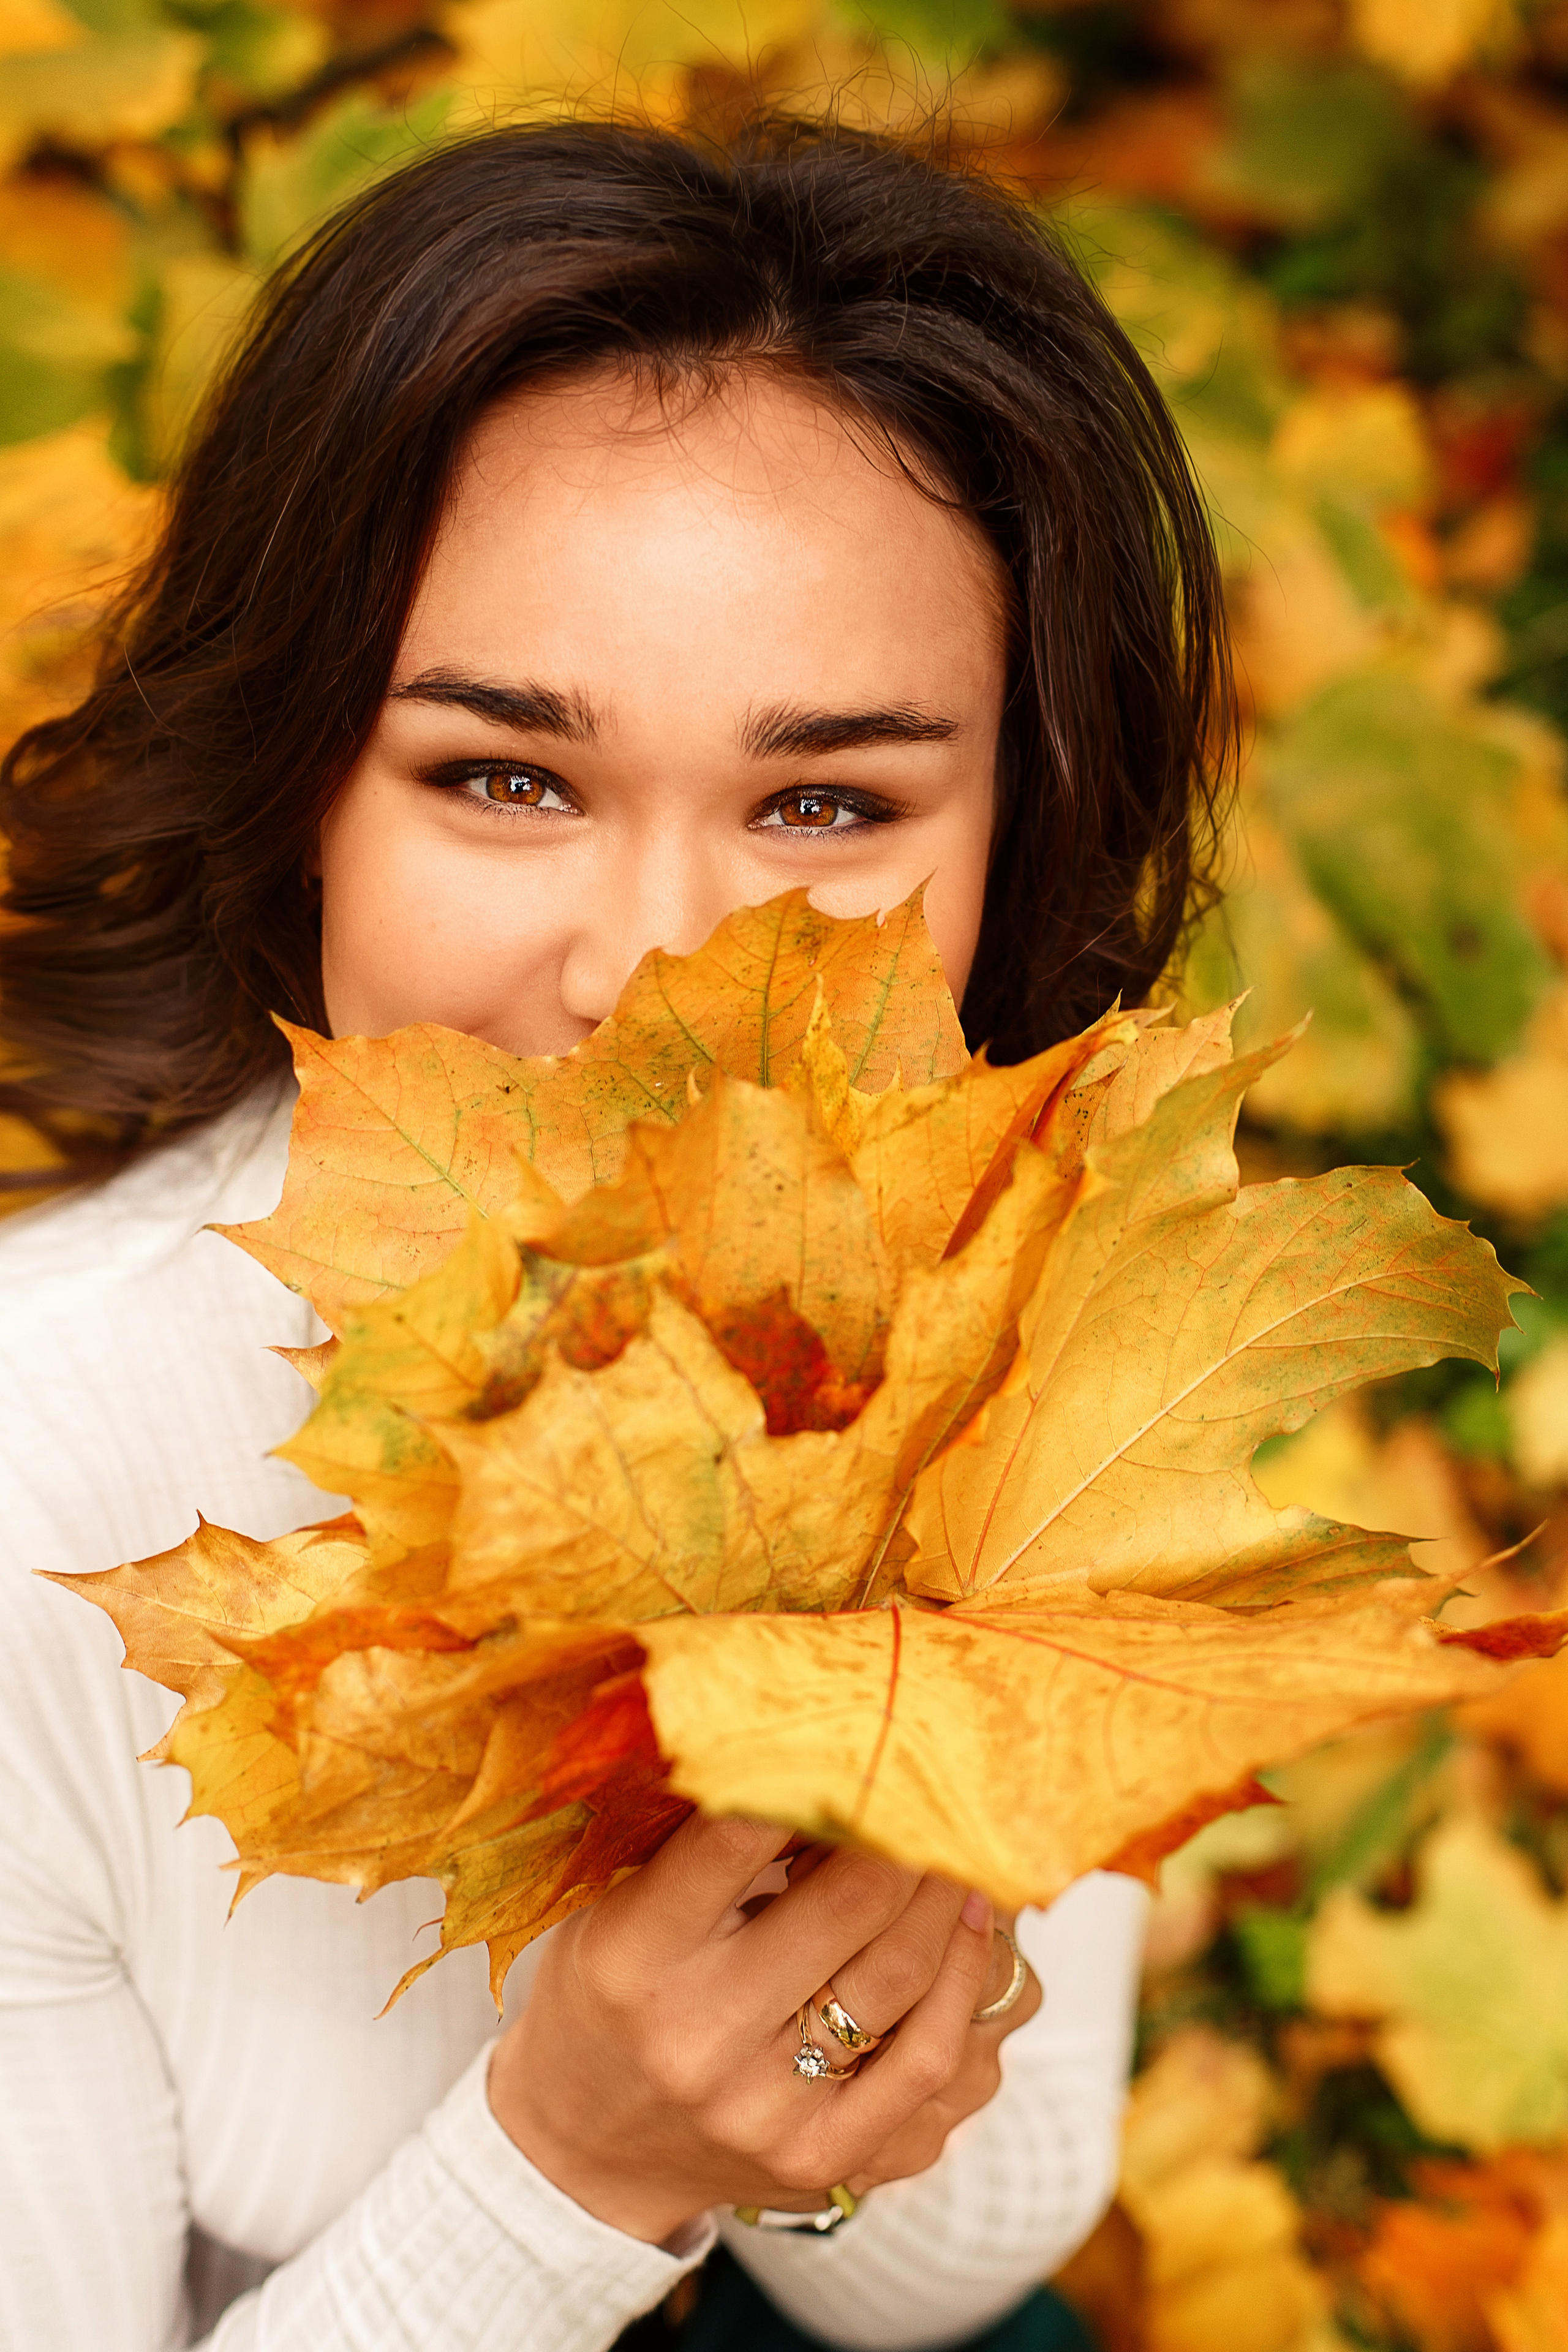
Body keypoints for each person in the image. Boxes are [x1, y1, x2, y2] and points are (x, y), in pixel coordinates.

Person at [0, 118, 1231, 2352]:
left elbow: (955, 2268)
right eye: (505, 775)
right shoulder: (37, 1477)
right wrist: (581, 2167)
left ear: (1010, 852)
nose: (645, 973)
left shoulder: (1038, 1326)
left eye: (828, 804)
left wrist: (812, 1994)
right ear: (306, 785)